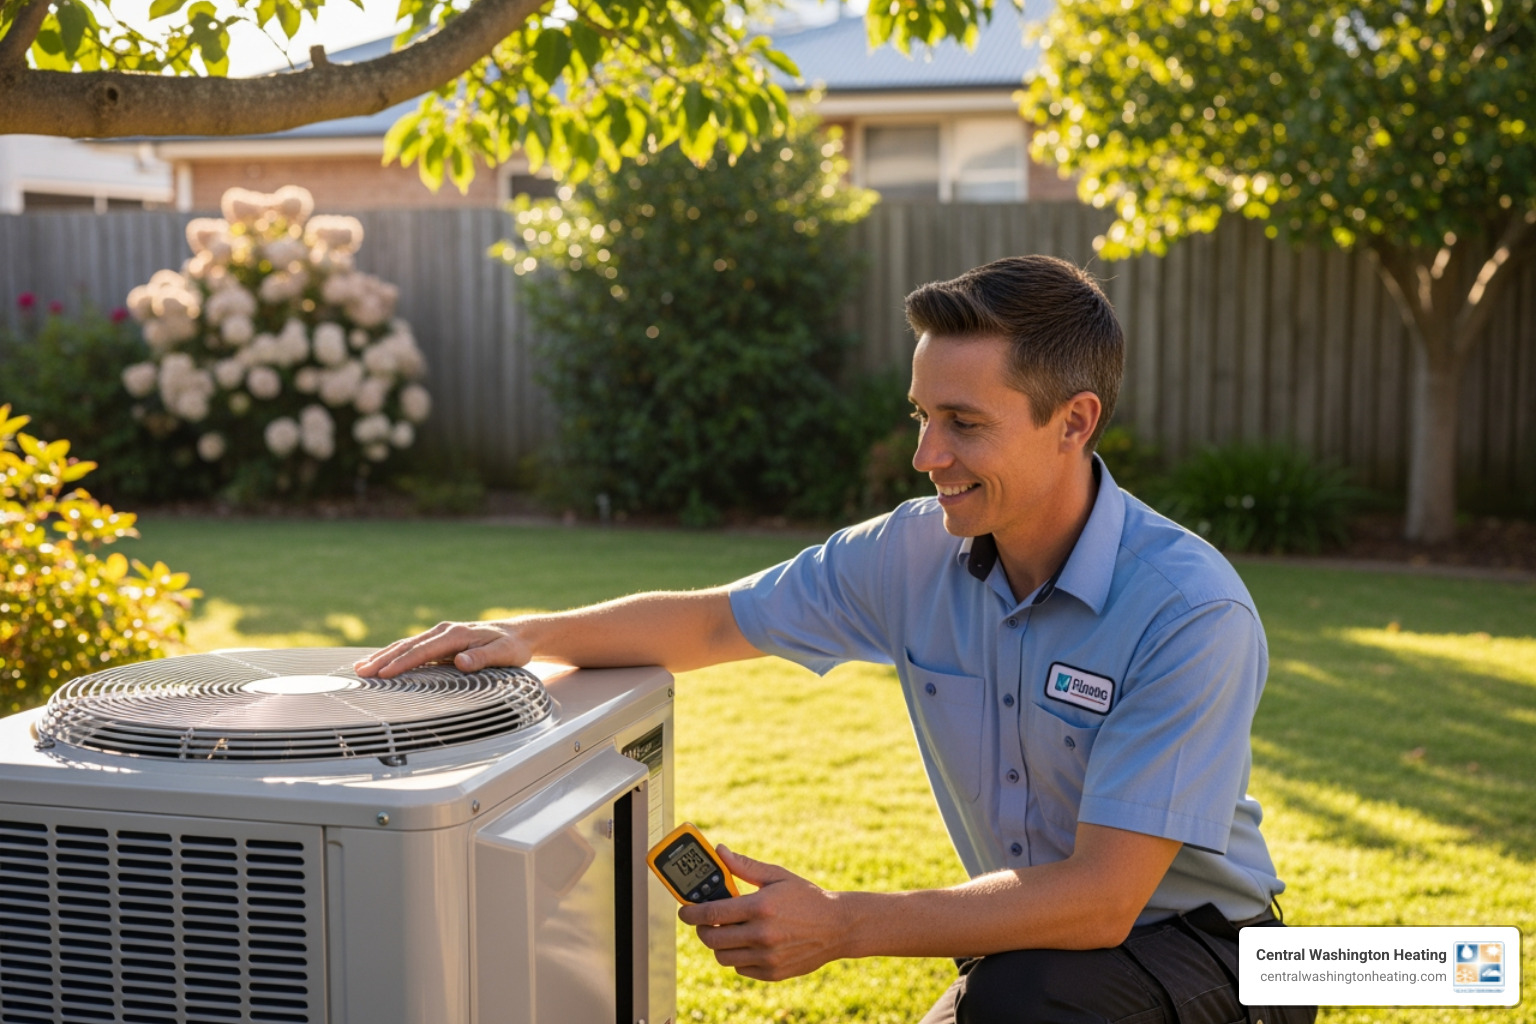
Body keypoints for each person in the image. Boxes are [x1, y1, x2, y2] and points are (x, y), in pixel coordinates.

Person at [357, 255, 1314, 1024]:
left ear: (1074, 423)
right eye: (923, 416)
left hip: (1217, 954)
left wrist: (843, 924)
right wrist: (524, 635)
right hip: (1042, 962)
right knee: (1020, 992)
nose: (926, 454)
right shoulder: (914, 551)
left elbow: (1106, 901)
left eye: (964, 423)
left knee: (1023, 999)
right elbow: (714, 619)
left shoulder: (1188, 611)